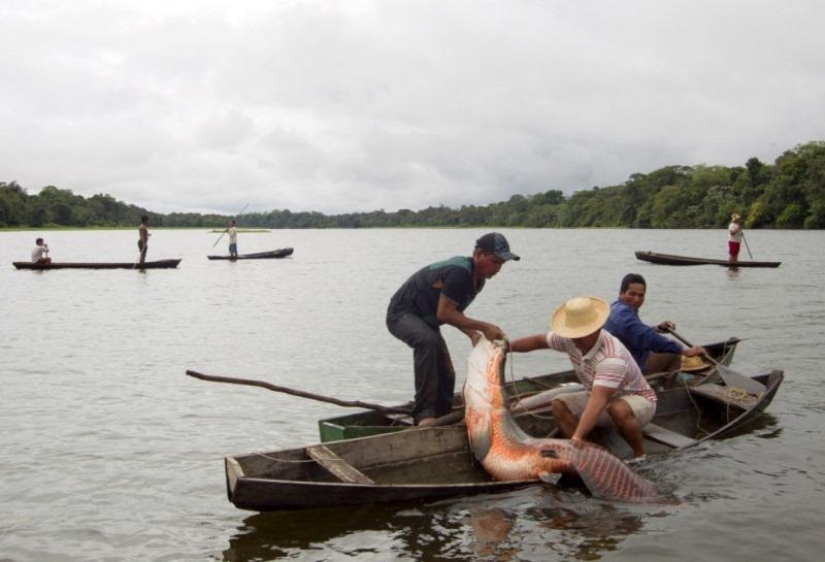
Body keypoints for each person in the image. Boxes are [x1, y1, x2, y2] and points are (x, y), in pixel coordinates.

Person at [387, 232, 520, 426]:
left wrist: (472, 333)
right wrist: (484, 327)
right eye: (494, 262)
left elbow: (453, 312)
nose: (497, 269)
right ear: (478, 254)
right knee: (428, 343)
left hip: (427, 321)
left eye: (501, 264)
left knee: (447, 373)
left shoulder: (477, 280)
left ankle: (441, 415)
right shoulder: (460, 272)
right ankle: (424, 415)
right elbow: (444, 314)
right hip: (401, 314)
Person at [508, 296, 656, 460]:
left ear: (596, 329)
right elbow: (537, 341)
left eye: (581, 335)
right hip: (602, 398)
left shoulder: (611, 358)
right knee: (559, 404)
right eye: (573, 334)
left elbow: (597, 401)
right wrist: (506, 347)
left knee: (617, 409)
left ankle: (640, 455)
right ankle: (585, 456)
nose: (575, 339)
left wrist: (576, 437)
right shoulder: (570, 339)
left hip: (637, 400)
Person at [602, 273, 706, 376]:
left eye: (641, 295)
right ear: (621, 293)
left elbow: (634, 330)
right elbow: (645, 336)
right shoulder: (623, 314)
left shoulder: (614, 307)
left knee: (666, 347)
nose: (637, 299)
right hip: (628, 369)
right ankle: (666, 389)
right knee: (675, 349)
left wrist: (656, 328)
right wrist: (685, 351)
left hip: (617, 361)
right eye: (632, 294)